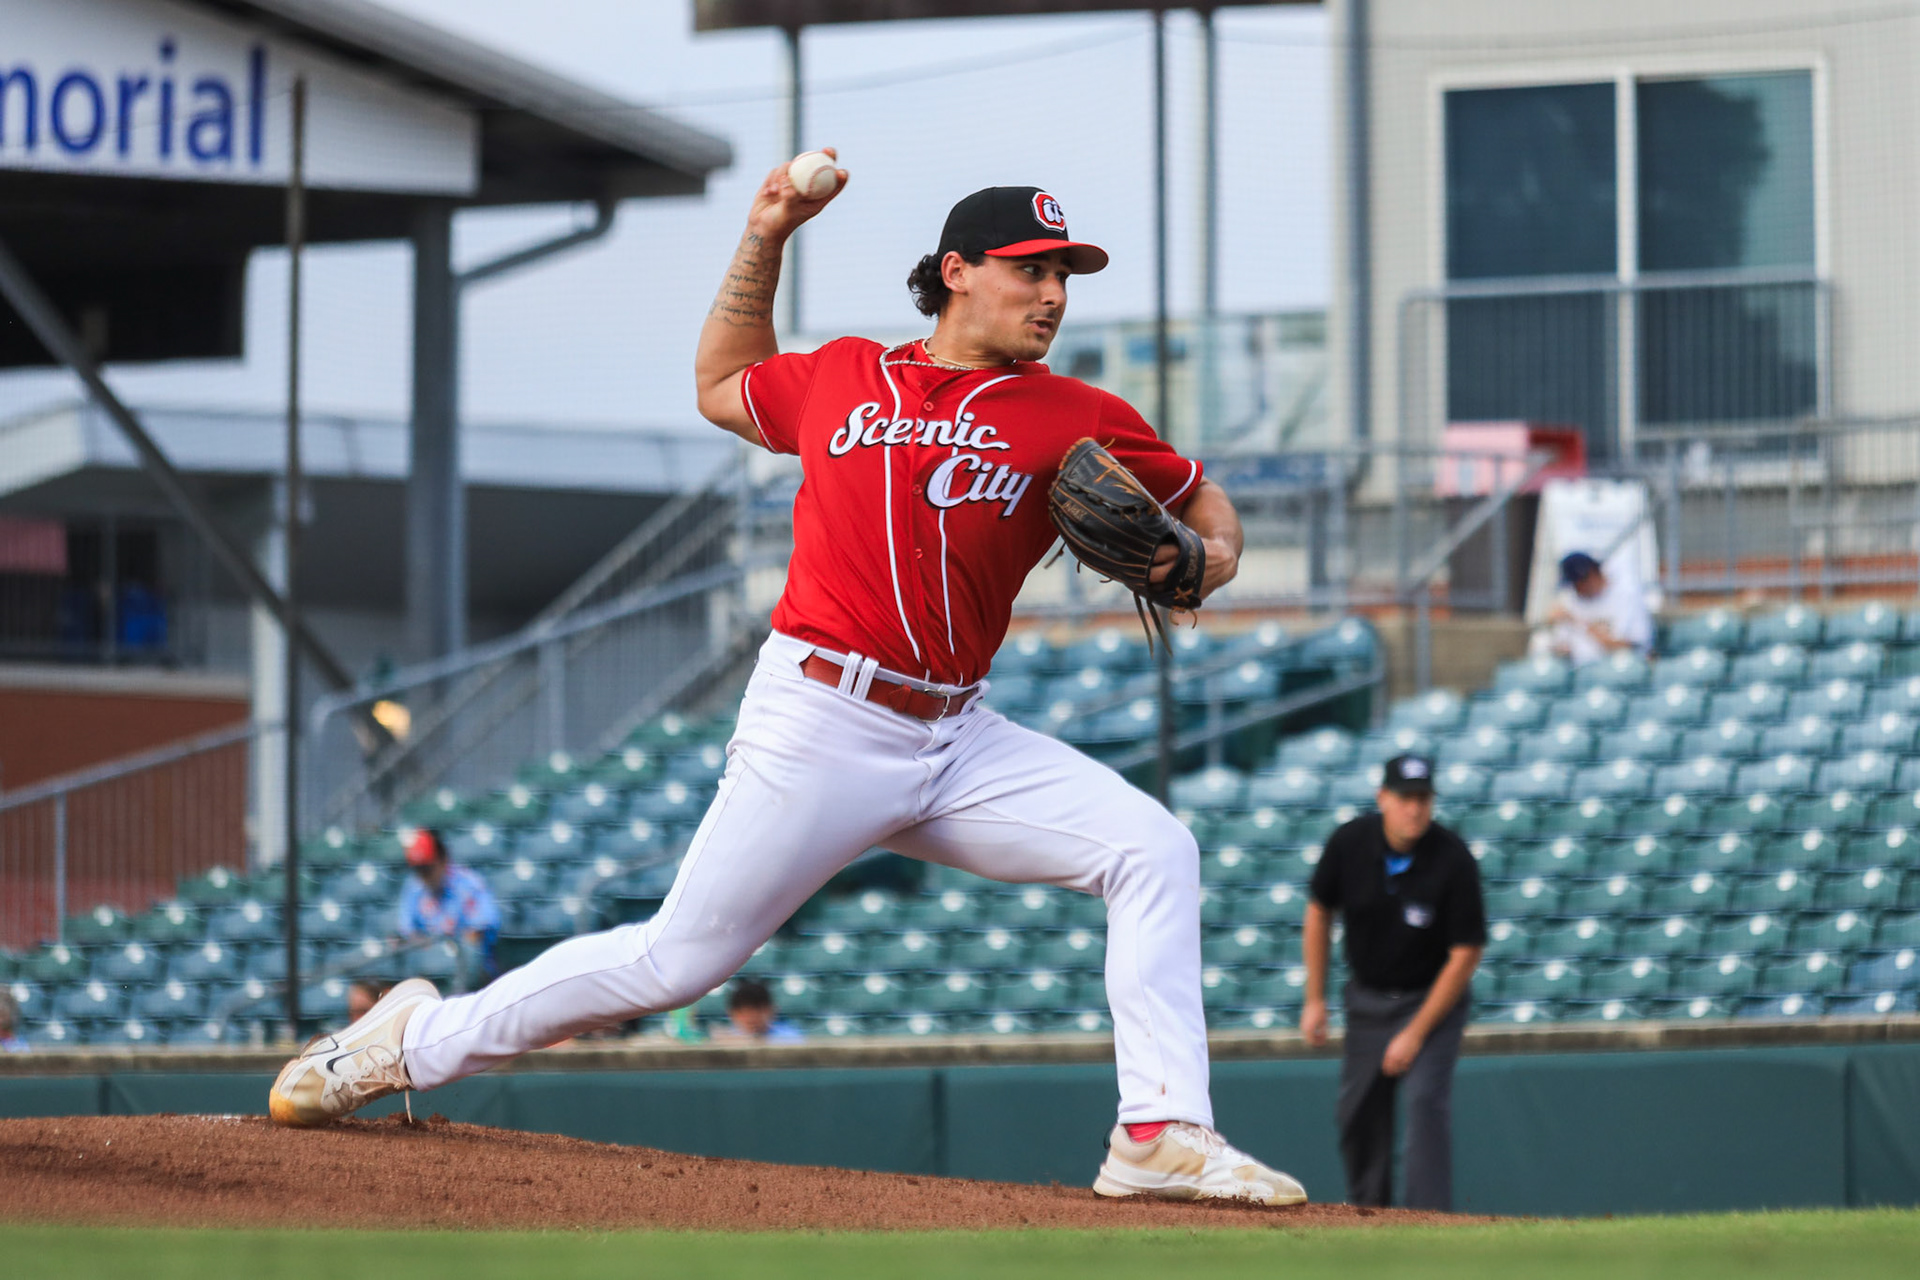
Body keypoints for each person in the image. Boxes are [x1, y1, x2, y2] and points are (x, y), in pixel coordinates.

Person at [271, 158, 1305, 1207]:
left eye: (1065, 275)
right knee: (674, 963)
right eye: (1031, 269)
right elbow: (721, 383)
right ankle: (411, 1039)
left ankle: (1159, 1128)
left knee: (1155, 848)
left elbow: (1205, 500)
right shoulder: (844, 373)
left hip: (955, 738)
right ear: (957, 271)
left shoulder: (1068, 411)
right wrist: (766, 234)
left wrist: (1209, 560)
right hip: (820, 717)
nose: (1053, 294)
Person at [1301, 754, 1485, 1211]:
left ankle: (1427, 1220)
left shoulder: (1453, 859)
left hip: (1431, 1004)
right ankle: (1371, 1216)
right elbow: (1319, 910)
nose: (1414, 809)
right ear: (1384, 798)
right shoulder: (1350, 842)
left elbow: (1466, 954)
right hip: (1367, 1000)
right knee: (1357, 1113)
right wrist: (1314, 998)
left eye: (1423, 798)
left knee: (1425, 1104)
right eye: (1405, 798)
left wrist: (1415, 1033)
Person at [395, 829, 501, 986]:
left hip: (471, 975)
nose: (423, 875)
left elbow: (478, 932)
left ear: (443, 860)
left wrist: (444, 951)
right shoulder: (413, 888)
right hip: (428, 973)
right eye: (418, 869)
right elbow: (406, 933)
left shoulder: (468, 883)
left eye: (427, 868)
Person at [1543, 551, 1653, 666]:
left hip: (1619, 670)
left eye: (1578, 583)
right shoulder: (1570, 600)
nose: (1576, 589)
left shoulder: (1627, 596)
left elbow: (1632, 647)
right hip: (1579, 673)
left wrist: (1579, 623)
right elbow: (1563, 646)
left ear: (1591, 575)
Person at [709, 978, 804, 1043]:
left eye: (758, 1010)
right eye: (743, 1012)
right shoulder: (721, 1042)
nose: (751, 1017)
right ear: (731, 1013)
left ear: (772, 1010)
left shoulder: (791, 1039)